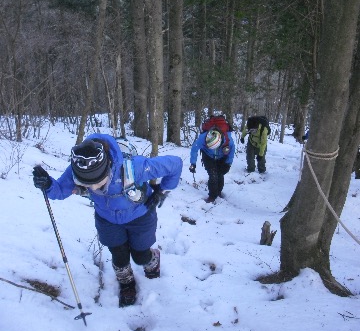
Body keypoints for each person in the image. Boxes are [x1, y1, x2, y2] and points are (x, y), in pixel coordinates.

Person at [32, 134, 183, 307]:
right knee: (119, 256)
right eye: (85, 184)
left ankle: (152, 261)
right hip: (107, 219)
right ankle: (126, 284)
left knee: (141, 255)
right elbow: (59, 190)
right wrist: (48, 184)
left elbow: (175, 164)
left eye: (97, 182)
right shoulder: (77, 168)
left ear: (108, 168)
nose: (92, 188)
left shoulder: (135, 167)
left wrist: (162, 190)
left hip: (140, 216)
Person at [189, 129, 235, 203]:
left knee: (220, 174)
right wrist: (193, 163)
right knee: (212, 174)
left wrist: (228, 164)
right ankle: (212, 196)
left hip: (222, 156)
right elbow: (194, 149)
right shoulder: (202, 138)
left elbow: (231, 151)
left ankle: (219, 192)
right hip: (208, 156)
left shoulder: (228, 140)